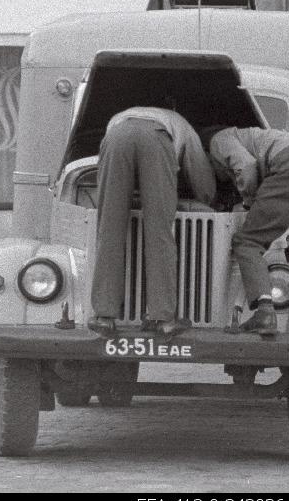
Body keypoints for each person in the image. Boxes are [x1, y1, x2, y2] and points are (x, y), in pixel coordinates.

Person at [88, 107, 216, 339]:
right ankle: (163, 318)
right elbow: (200, 174)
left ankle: (104, 316)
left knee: (109, 229)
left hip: (115, 138)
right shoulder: (183, 125)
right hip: (157, 140)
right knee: (159, 232)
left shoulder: (119, 117)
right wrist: (209, 198)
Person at [204, 126, 289, 336]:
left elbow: (246, 167)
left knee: (248, 242)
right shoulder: (259, 136)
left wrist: (250, 202)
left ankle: (265, 313)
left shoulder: (219, 139)